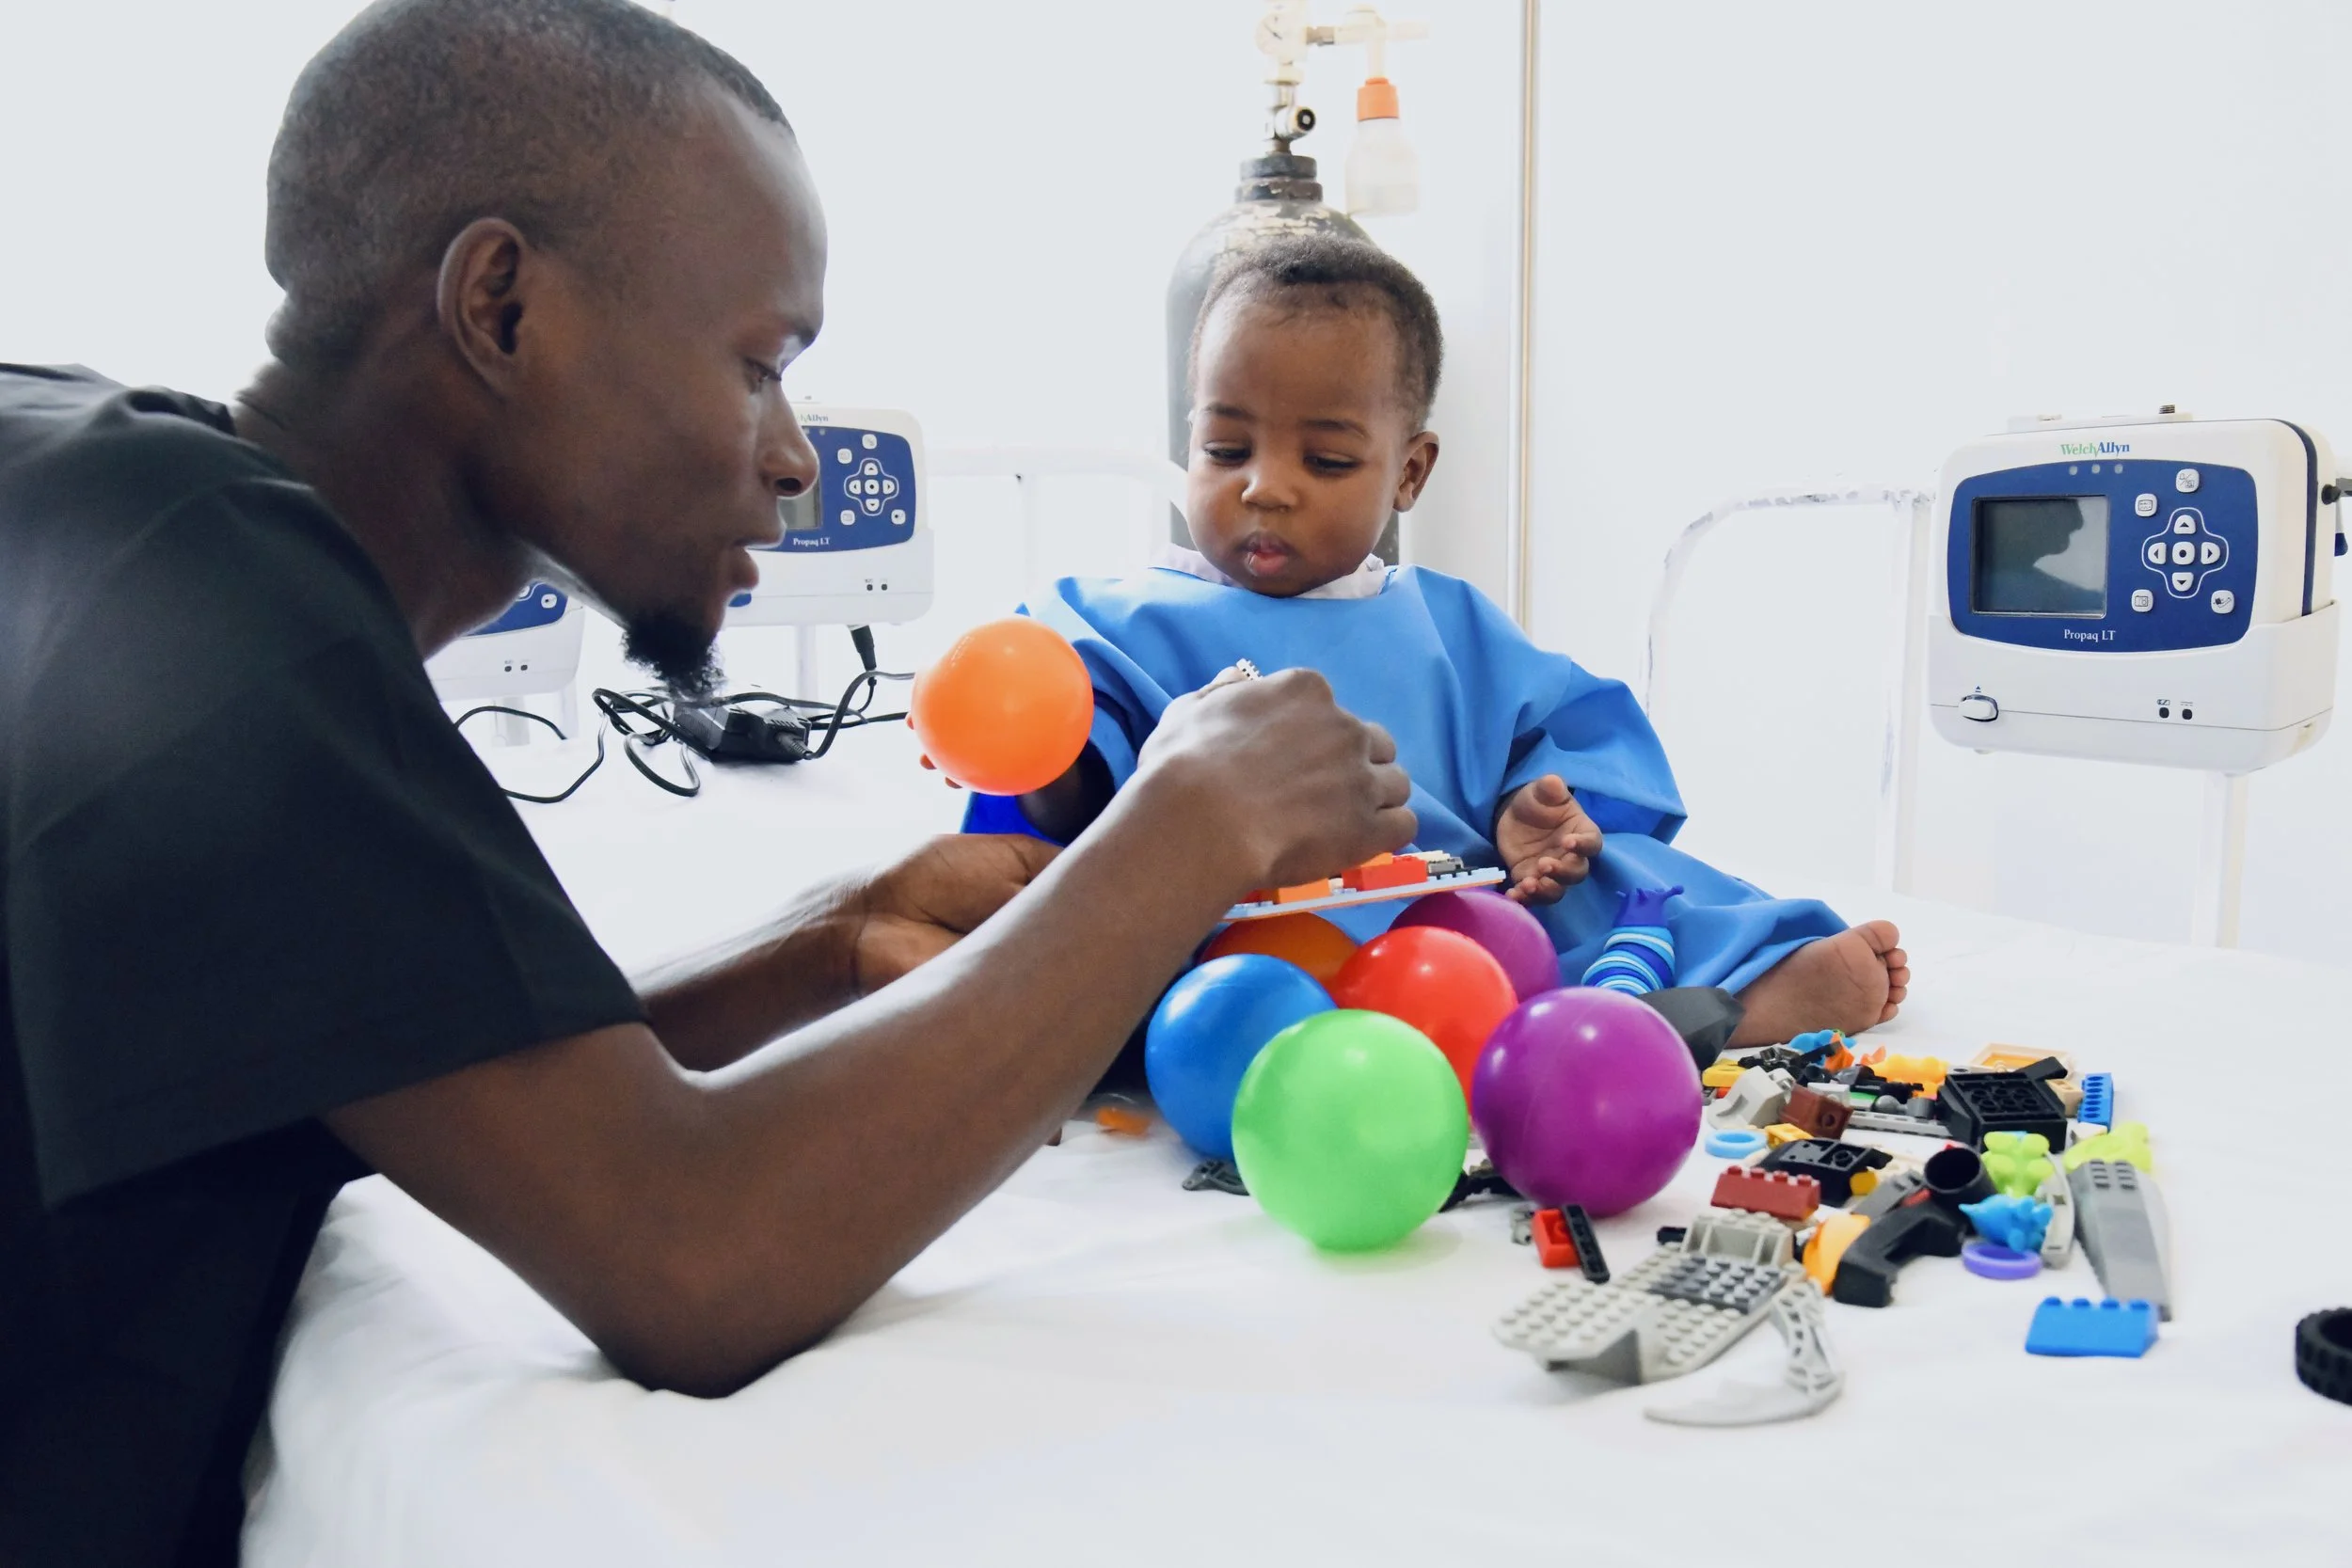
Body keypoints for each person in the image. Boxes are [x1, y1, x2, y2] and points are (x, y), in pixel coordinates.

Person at [0, 5, 1416, 1564]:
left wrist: (828, 939)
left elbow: (445, 1081)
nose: (798, 455)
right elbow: (693, 1258)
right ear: (501, 305)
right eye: (759, 363)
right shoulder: (231, 630)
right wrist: (1185, 826)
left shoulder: (103, 496)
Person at [990, 235, 1911, 1046]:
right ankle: (1577, 1016)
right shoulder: (1115, 617)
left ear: (1408, 472)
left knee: (1629, 879)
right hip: (1231, 919)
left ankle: (1728, 995)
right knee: (1047, 919)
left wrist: (1538, 808)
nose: (1264, 487)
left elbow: (1571, 730)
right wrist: (1037, 746)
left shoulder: (1444, 618)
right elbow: (1072, 795)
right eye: (1226, 449)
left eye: (1327, 460)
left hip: (1458, 907)